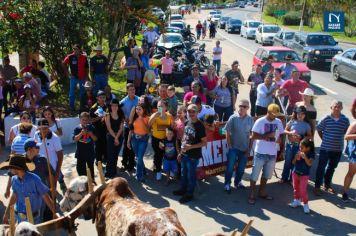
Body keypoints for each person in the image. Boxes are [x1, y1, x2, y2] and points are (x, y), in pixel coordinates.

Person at [1, 154, 56, 224]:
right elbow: (15, 195)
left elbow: (45, 196)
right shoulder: (14, 179)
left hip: (35, 219)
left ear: (18, 168)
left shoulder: (34, 179)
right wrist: (6, 212)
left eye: (11, 167)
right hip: (20, 218)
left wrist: (54, 212)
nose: (9, 169)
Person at [248, 104, 284, 205]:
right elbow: (253, 136)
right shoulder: (260, 121)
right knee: (255, 175)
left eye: (276, 114)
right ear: (268, 112)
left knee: (267, 175)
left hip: (272, 153)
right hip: (260, 152)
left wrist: (280, 142)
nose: (275, 116)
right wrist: (268, 136)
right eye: (273, 114)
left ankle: (262, 192)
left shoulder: (278, 122)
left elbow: (281, 135)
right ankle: (251, 194)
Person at [173, 104, 207, 204]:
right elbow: (185, 138)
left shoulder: (200, 126)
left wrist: (191, 147)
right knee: (184, 173)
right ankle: (183, 189)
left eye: (193, 111)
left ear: (197, 112)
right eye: (189, 111)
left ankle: (189, 194)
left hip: (193, 156)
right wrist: (180, 153)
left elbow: (204, 142)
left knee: (191, 176)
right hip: (185, 154)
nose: (191, 113)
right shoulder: (187, 122)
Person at [315, 100, 350, 195]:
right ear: (331, 107)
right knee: (321, 167)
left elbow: (346, 132)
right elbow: (319, 129)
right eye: (335, 106)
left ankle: (327, 185)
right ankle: (317, 186)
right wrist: (324, 139)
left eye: (339, 106)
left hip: (338, 149)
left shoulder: (345, 120)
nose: (337, 108)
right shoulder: (326, 118)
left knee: (332, 168)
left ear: (342, 108)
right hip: (325, 148)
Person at [224, 99, 254, 193]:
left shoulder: (250, 119)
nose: (241, 108)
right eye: (240, 106)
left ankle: (238, 182)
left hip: (245, 149)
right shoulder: (233, 118)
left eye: (244, 106)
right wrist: (230, 145)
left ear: (248, 108)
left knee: (241, 168)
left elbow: (252, 135)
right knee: (230, 167)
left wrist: (249, 148)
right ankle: (227, 184)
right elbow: (227, 131)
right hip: (234, 148)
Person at [281, 106, 312, 183]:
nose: (300, 116)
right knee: (287, 162)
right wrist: (290, 133)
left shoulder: (306, 125)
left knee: (295, 162)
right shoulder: (292, 122)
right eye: (298, 114)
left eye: (302, 114)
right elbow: (284, 130)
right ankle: (284, 177)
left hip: (299, 147)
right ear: (296, 114)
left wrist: (301, 136)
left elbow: (310, 136)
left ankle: (293, 179)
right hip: (290, 145)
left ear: (305, 115)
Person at [34, 119, 64, 190]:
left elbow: (60, 154)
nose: (42, 131)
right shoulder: (36, 135)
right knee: (43, 189)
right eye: (40, 129)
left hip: (52, 168)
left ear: (48, 127)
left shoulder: (55, 138)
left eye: (45, 128)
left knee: (52, 189)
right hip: (40, 167)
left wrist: (57, 173)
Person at [149, 100, 174, 180]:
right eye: (158, 106)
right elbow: (149, 124)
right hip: (156, 139)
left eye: (162, 106)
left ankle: (169, 171)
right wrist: (154, 116)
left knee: (167, 155)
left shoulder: (169, 116)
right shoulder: (155, 115)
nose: (160, 108)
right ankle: (158, 171)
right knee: (158, 155)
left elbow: (172, 127)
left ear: (165, 107)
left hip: (166, 140)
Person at [289, 138, 315, 214]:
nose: (300, 149)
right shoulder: (298, 152)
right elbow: (293, 163)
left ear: (308, 148)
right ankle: (297, 200)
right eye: (300, 147)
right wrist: (295, 157)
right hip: (295, 173)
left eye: (302, 147)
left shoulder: (311, 154)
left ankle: (305, 204)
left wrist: (305, 157)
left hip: (304, 175)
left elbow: (309, 164)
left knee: (303, 190)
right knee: (295, 188)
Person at [127, 104, 150, 182]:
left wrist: (142, 120)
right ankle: (143, 170)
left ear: (143, 110)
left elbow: (148, 131)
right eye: (137, 109)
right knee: (138, 156)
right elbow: (131, 130)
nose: (138, 111)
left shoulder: (147, 118)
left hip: (143, 139)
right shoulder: (134, 118)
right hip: (134, 139)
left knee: (139, 157)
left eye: (139, 109)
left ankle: (139, 176)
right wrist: (128, 141)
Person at [63, 44, 89, 111]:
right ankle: (71, 107)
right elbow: (63, 63)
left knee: (82, 93)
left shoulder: (84, 57)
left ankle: (82, 107)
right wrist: (68, 73)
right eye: (74, 49)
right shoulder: (70, 57)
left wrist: (86, 77)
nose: (75, 50)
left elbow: (86, 68)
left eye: (76, 49)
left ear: (80, 49)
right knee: (71, 93)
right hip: (73, 78)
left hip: (82, 78)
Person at [120, 83, 139, 172]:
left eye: (133, 89)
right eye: (130, 90)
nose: (132, 91)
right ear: (127, 91)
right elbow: (121, 115)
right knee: (126, 146)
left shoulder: (138, 99)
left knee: (133, 146)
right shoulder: (123, 102)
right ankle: (124, 163)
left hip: (137, 128)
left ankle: (131, 164)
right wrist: (128, 122)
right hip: (127, 127)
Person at [73, 112, 97, 178]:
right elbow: (75, 139)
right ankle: (83, 183)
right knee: (80, 170)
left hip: (90, 153)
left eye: (86, 120)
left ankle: (92, 181)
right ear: (80, 120)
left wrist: (91, 134)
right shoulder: (77, 128)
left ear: (89, 120)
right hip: (80, 153)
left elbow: (95, 139)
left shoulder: (92, 127)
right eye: (83, 119)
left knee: (91, 169)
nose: (85, 121)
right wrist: (81, 134)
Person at [105, 99, 125, 178]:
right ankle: (108, 172)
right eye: (112, 105)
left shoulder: (121, 115)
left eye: (116, 105)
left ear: (118, 107)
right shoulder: (107, 115)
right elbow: (109, 128)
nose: (114, 107)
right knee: (110, 155)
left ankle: (114, 171)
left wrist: (117, 138)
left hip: (119, 136)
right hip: (110, 137)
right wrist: (115, 138)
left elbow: (121, 128)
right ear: (110, 106)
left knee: (116, 155)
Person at [89, 90, 108, 164]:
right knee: (97, 145)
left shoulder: (107, 106)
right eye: (101, 97)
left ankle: (105, 158)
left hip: (105, 129)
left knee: (105, 144)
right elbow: (90, 120)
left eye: (104, 97)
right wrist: (99, 118)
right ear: (97, 98)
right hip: (96, 129)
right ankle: (98, 160)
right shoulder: (93, 108)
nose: (102, 99)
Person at [342, 120, 356, 202]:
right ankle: (345, 193)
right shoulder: (355, 124)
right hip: (355, 153)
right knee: (351, 173)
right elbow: (346, 136)